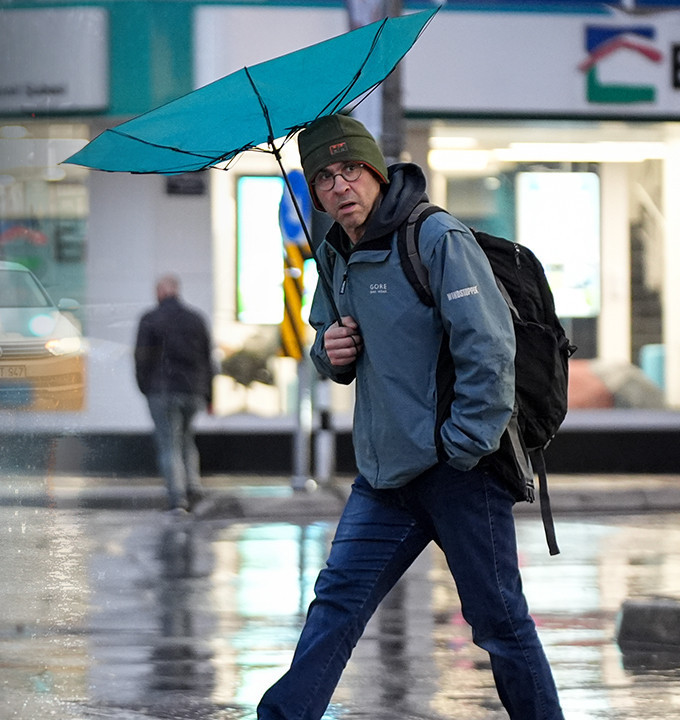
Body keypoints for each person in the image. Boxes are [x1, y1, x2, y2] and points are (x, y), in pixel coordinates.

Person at [256, 115, 564, 719]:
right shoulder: (334, 254)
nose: (340, 186)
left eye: (350, 170)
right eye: (324, 177)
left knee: (499, 623)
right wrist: (331, 350)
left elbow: (488, 346)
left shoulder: (434, 238)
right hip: (384, 475)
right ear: (314, 191)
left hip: (460, 471)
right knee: (336, 605)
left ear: (374, 170)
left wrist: (465, 444)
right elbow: (326, 337)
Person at [134, 273, 215, 514]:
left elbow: (141, 359)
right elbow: (208, 359)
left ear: (160, 292)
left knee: (169, 443)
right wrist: (209, 395)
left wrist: (145, 388)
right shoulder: (196, 319)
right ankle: (194, 487)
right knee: (187, 439)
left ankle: (178, 498)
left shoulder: (150, 319)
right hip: (193, 391)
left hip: (162, 391)